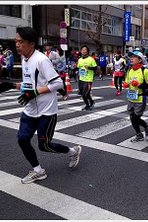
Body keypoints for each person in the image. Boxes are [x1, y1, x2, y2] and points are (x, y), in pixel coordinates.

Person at [12, 26, 82, 184]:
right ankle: (38, 171)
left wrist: (35, 93)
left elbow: (57, 83)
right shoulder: (25, 59)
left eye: (20, 42)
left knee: (44, 145)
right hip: (30, 110)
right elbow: (31, 84)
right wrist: (13, 86)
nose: (17, 44)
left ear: (31, 43)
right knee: (22, 139)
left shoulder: (41, 60)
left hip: (46, 112)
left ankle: (72, 151)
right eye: (16, 41)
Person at [123, 51, 148, 142]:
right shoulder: (129, 70)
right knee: (132, 117)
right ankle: (139, 134)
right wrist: (126, 84)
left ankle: (147, 128)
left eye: (134, 57)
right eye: (130, 57)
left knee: (136, 118)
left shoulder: (145, 71)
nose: (131, 58)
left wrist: (139, 85)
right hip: (131, 97)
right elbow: (127, 81)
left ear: (140, 60)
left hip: (140, 97)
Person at [77, 45, 97, 110]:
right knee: (85, 94)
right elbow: (79, 67)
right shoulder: (79, 59)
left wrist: (89, 68)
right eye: (82, 49)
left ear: (87, 51)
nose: (83, 51)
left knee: (84, 94)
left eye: (85, 49)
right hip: (81, 79)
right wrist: (75, 68)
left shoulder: (91, 59)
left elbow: (95, 68)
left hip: (88, 79)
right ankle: (92, 102)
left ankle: (87, 105)